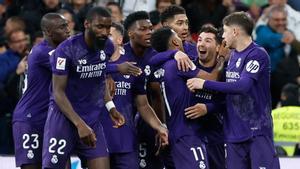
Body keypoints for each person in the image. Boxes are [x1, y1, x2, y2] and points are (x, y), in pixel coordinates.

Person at [186, 11, 280, 169]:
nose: (223, 36)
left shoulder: (257, 54)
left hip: (256, 132)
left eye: (225, 31)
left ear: (235, 31)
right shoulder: (233, 56)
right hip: (233, 134)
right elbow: (226, 95)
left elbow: (242, 87)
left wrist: (203, 84)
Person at [42, 7, 124, 169]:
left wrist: (111, 108)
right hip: (63, 120)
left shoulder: (107, 46)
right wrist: (79, 124)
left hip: (91, 119)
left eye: (108, 27)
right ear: (87, 24)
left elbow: (100, 79)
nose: (105, 32)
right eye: (100, 27)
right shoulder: (66, 50)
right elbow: (58, 92)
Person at [12, 13, 70, 169]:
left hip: (51, 119)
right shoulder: (43, 52)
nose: (68, 30)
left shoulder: (59, 50)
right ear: (49, 31)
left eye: (67, 25)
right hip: (31, 118)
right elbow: (76, 69)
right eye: (62, 27)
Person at [123, 11, 167, 169]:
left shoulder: (155, 57)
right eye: (143, 29)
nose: (149, 32)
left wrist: (161, 125)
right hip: (121, 120)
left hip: (146, 118)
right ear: (130, 33)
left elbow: (156, 96)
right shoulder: (119, 56)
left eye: (150, 28)